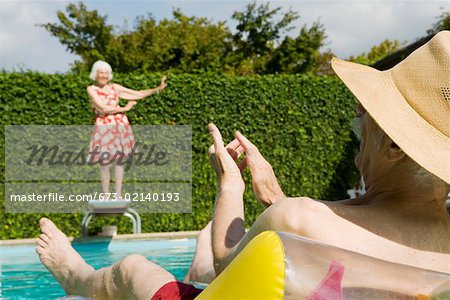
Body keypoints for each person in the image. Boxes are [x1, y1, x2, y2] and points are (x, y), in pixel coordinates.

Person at [36, 31, 450, 299]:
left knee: (133, 269)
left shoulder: (302, 220)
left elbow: (226, 262)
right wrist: (274, 199)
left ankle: (74, 276)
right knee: (199, 256)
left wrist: (230, 183)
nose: (357, 120)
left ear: (394, 144)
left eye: (365, 121)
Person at [87, 60, 167, 198]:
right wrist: (125, 108)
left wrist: (156, 89)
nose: (104, 76)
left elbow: (136, 94)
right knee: (104, 162)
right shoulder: (91, 89)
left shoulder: (114, 88)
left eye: (106, 73)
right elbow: (102, 108)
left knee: (119, 160)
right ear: (95, 74)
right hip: (104, 126)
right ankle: (105, 195)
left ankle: (118, 194)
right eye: (101, 72)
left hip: (119, 125)